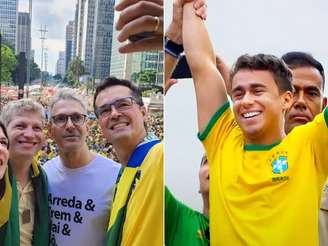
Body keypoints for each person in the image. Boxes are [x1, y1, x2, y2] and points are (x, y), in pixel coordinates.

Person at [181, 2, 327, 245]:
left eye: (257, 91)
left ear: (286, 99)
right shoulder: (222, 141)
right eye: (238, 93)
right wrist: (187, 5)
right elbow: (202, 65)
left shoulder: (311, 145)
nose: (245, 101)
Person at [43, 88, 120, 246]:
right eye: (61, 119)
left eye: (77, 118)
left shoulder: (116, 176)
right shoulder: (43, 173)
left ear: (87, 125)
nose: (70, 125)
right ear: (50, 129)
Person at [93, 77, 163, 245]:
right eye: (104, 110)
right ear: (100, 124)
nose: (115, 114)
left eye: (123, 104)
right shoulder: (122, 176)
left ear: (144, 112)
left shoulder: (159, 156)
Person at [282, 51, 327, 246]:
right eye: (292, 91)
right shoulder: (242, 162)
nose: (300, 101)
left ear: (323, 104)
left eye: (311, 93)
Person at [0, 99, 49, 246]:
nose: (29, 134)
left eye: (37, 128)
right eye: (20, 126)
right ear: (4, 133)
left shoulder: (42, 178)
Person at [165, 156, 209, 246]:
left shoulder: (243, 231)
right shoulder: (178, 218)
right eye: (207, 161)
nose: (215, 165)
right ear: (199, 187)